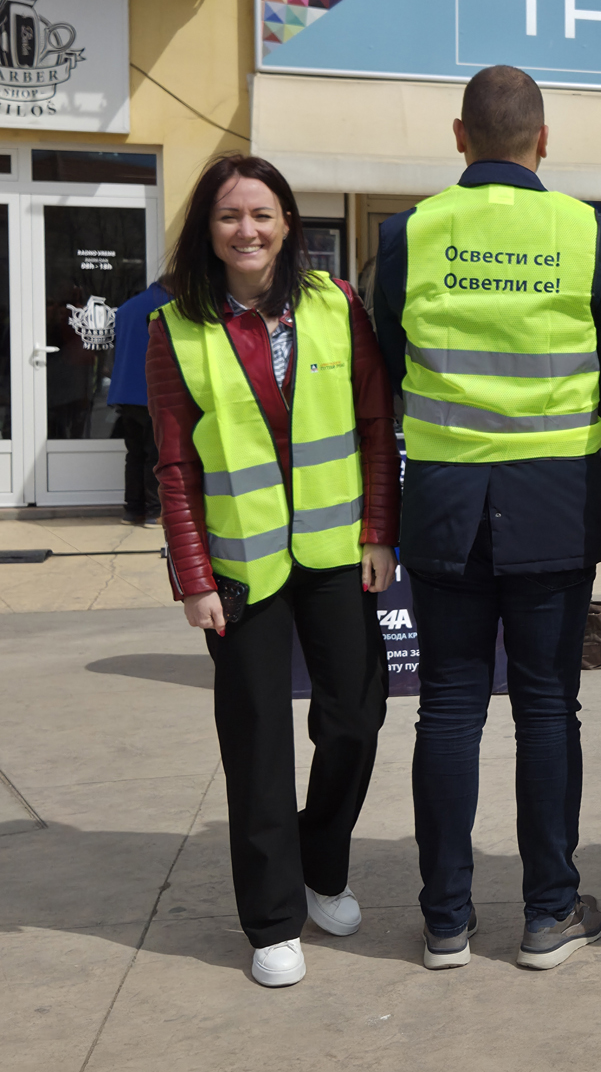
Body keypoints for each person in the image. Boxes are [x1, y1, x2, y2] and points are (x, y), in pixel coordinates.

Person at [373, 65, 601, 973]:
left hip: (444, 500)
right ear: (543, 140)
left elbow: (390, 356)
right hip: (552, 499)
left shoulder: (410, 233)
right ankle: (548, 912)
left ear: (460, 136)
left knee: (447, 708)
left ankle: (445, 920)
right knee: (547, 708)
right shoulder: (586, 232)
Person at [147, 154, 398, 988]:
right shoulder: (176, 326)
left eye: (262, 213)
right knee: (256, 741)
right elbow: (175, 465)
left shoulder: (336, 303)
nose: (246, 230)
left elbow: (374, 422)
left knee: (355, 719)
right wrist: (192, 575)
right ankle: (272, 917)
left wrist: (379, 531)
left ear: (289, 222)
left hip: (335, 551)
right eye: (229, 216)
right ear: (208, 230)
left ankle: (320, 862)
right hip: (241, 564)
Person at [108, 278, 171, 525]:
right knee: (156, 455)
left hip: (126, 393)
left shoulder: (126, 309)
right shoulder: (170, 308)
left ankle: (133, 510)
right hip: (155, 392)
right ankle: (155, 511)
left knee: (134, 455)